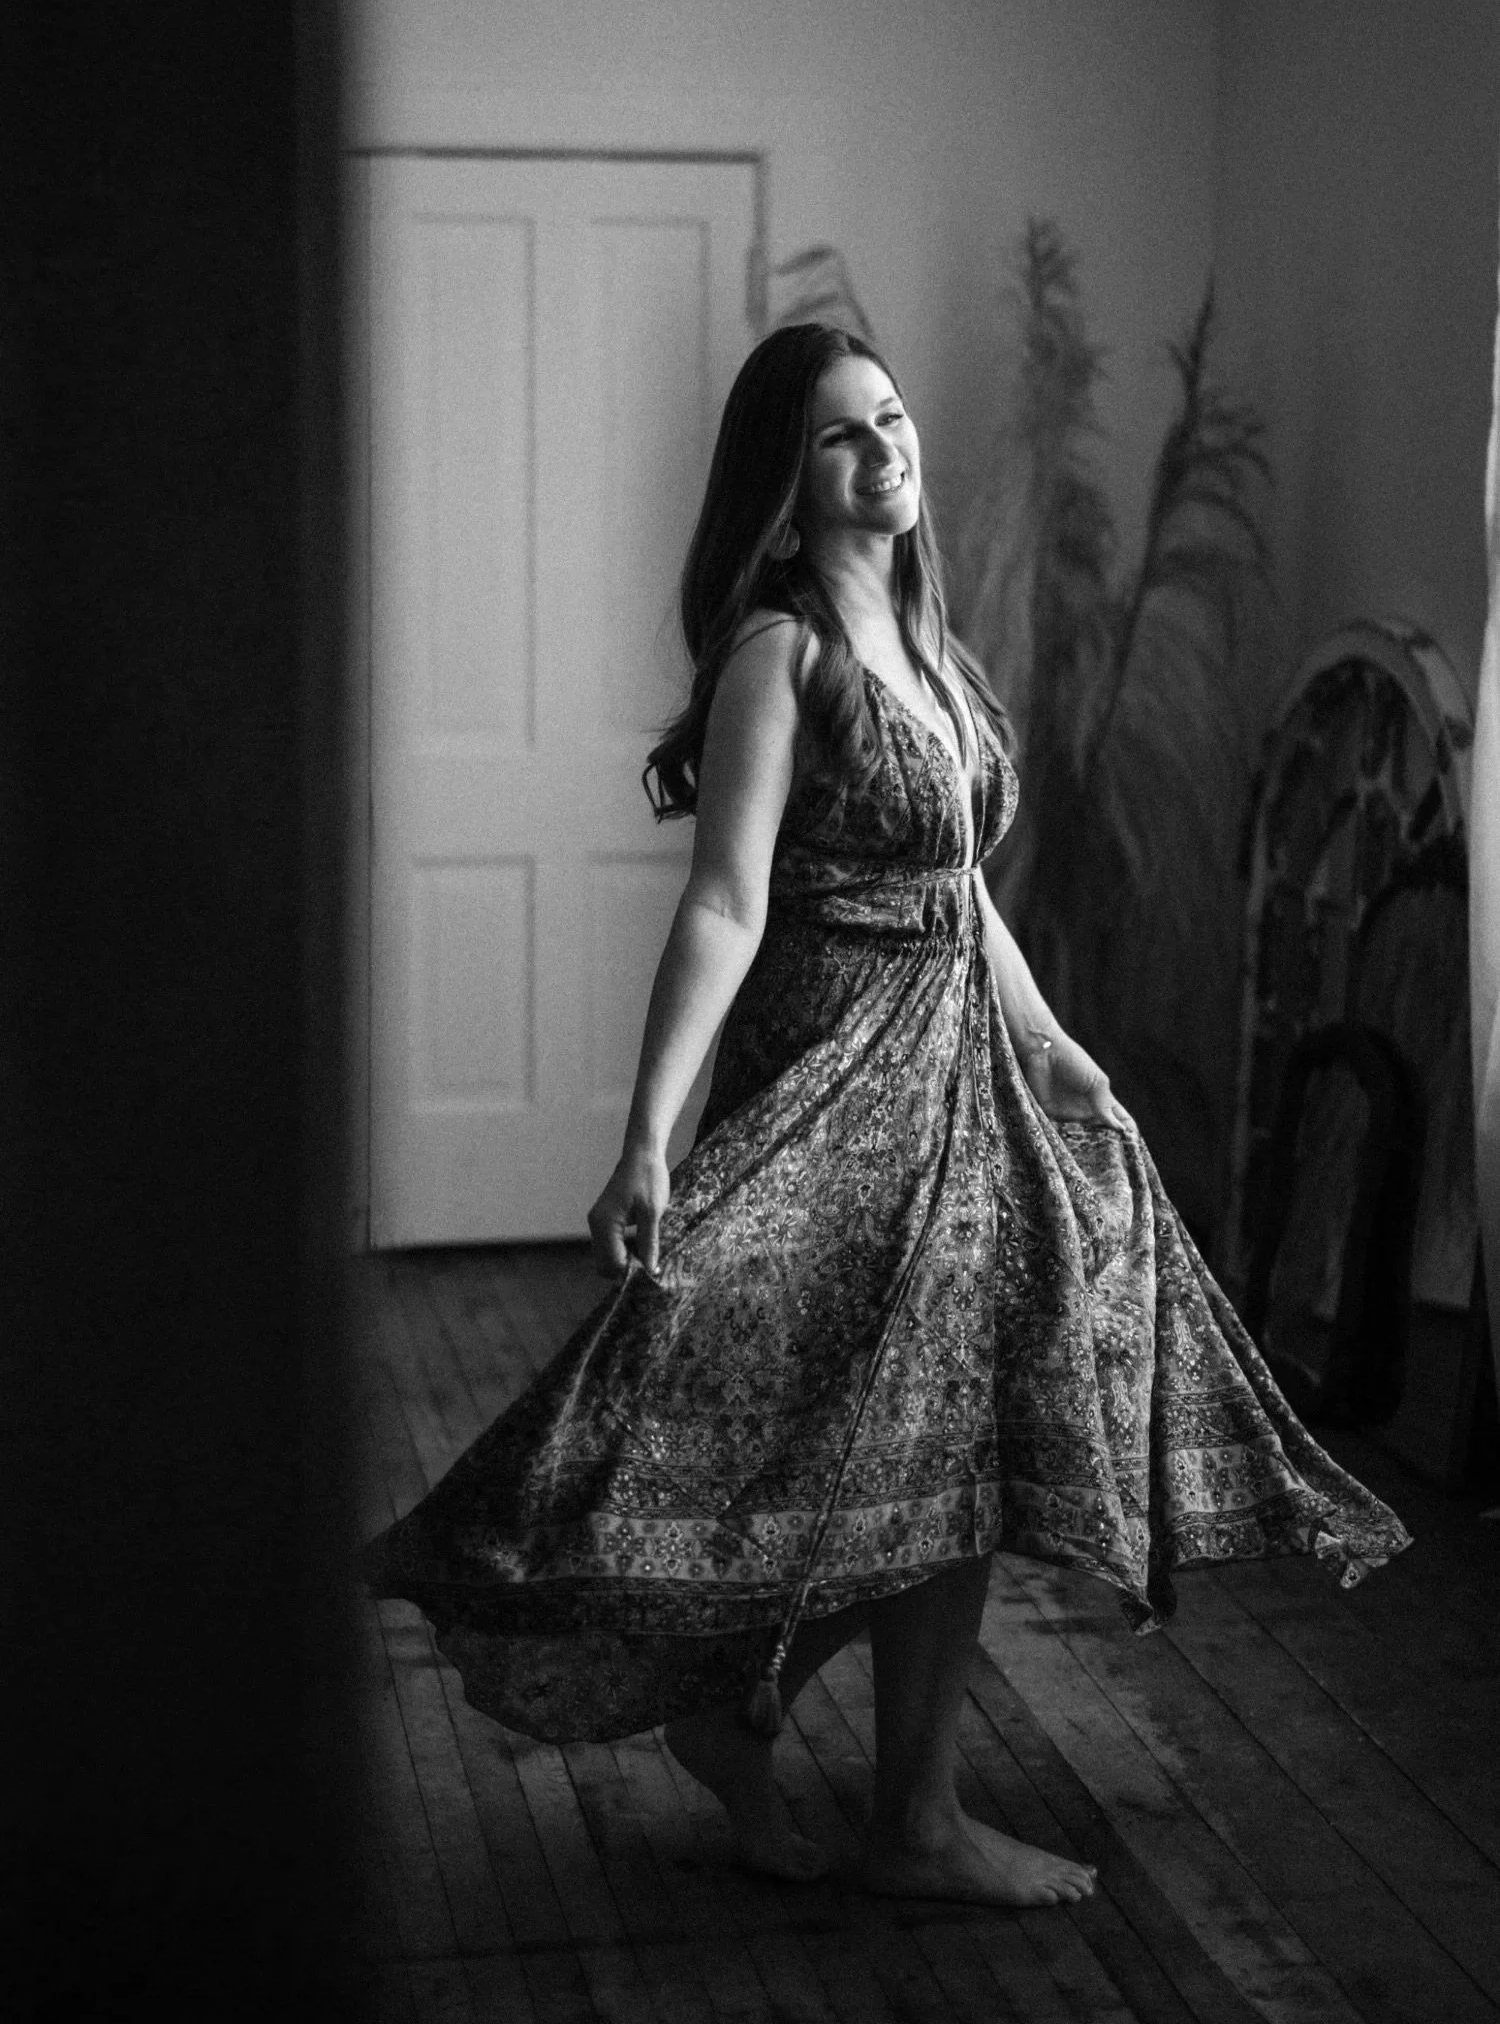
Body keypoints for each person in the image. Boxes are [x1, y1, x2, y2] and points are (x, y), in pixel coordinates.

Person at [364, 323, 1410, 1908]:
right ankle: (821, 1752)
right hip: (841, 1083)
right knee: (833, 1435)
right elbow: (723, 905)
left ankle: (844, 1768)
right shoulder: (780, 660)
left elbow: (957, 889)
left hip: (965, 1084)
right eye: (845, 436)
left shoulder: (934, 650)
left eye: (893, 417)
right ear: (788, 494)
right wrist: (648, 1133)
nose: (889, 448)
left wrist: (1055, 1043)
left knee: (964, 1433)